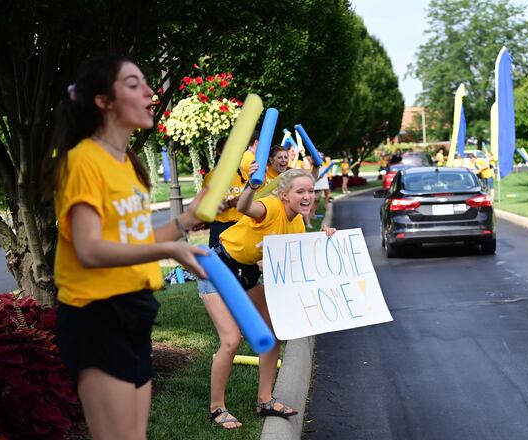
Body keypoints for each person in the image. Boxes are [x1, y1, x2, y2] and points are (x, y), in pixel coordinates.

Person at [44, 55, 210, 439]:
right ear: (104, 100)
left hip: (134, 311)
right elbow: (90, 249)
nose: (150, 92)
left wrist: (186, 222)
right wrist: (169, 252)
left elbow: (133, 242)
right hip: (96, 316)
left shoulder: (127, 164)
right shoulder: (83, 161)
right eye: (134, 84)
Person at [203, 166, 334, 423]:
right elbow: (243, 207)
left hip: (247, 276)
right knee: (231, 341)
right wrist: (252, 186)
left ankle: (265, 401)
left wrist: (325, 238)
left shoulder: (296, 223)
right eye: (300, 191)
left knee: (273, 334)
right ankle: (217, 407)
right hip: (218, 271)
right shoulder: (270, 208)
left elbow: (298, 260)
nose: (308, 196)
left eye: (310, 190)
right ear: (284, 194)